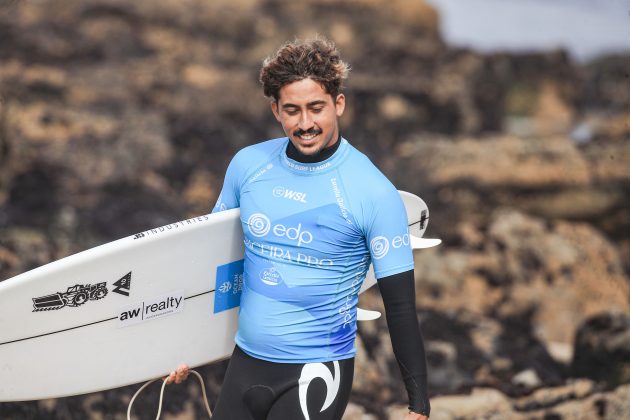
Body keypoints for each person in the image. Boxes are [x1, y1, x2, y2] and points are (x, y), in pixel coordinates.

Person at [168, 37, 430, 420]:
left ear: (338, 104)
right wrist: (185, 349)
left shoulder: (372, 192)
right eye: (292, 110)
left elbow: (401, 307)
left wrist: (418, 403)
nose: (305, 123)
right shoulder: (248, 166)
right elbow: (216, 267)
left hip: (317, 373)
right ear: (276, 110)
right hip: (245, 367)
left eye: (316, 108)